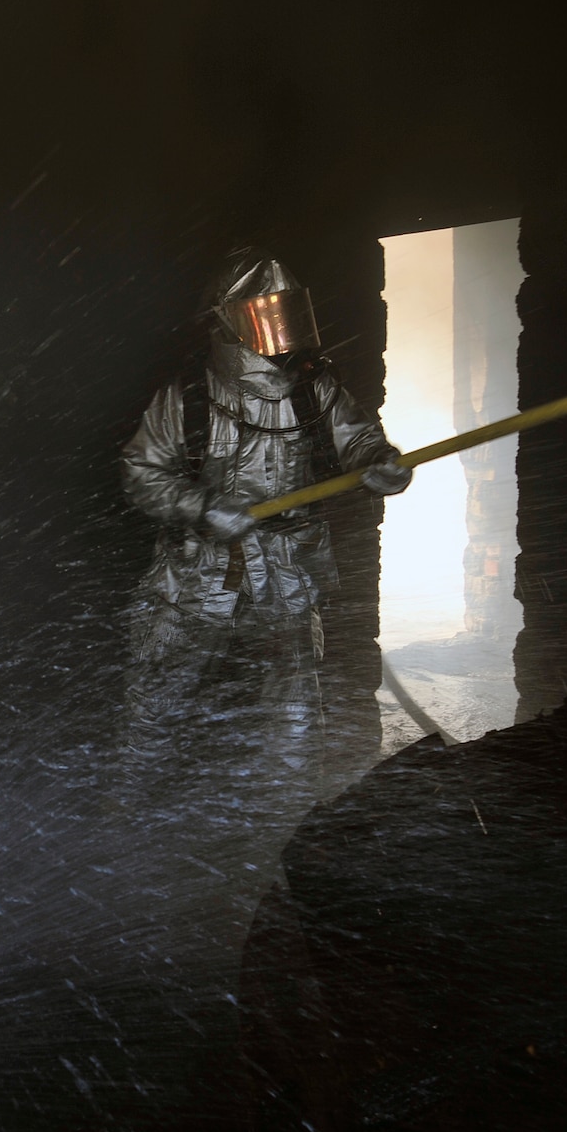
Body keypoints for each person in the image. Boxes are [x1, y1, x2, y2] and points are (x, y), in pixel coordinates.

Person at [119, 248, 409, 872]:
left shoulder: (313, 387)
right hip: (199, 576)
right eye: (262, 312)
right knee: (161, 693)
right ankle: (132, 825)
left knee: (295, 707)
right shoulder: (190, 397)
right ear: (227, 321)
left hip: (285, 573)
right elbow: (141, 473)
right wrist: (200, 506)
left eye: (285, 310)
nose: (278, 328)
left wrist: (377, 461)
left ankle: (290, 832)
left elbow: (357, 438)